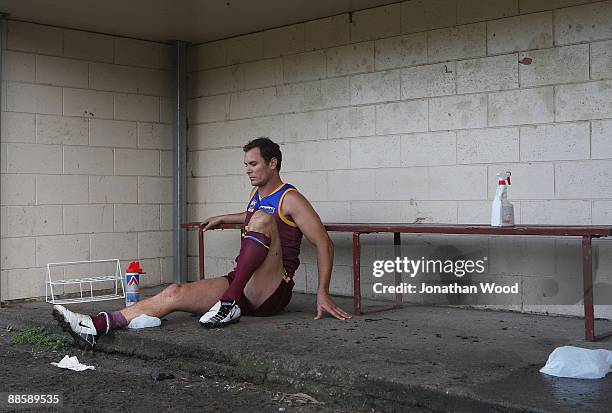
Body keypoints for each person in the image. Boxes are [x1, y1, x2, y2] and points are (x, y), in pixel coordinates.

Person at [53, 137, 351, 349]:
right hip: (242, 282)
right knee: (174, 292)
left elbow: (324, 243)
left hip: (273, 289)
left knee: (261, 219)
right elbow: (253, 215)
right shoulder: (257, 197)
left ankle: (229, 302)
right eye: (245, 164)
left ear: (273, 164)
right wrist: (227, 217)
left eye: (253, 164)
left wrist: (322, 292)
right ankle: (97, 325)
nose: (248, 169)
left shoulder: (291, 198)